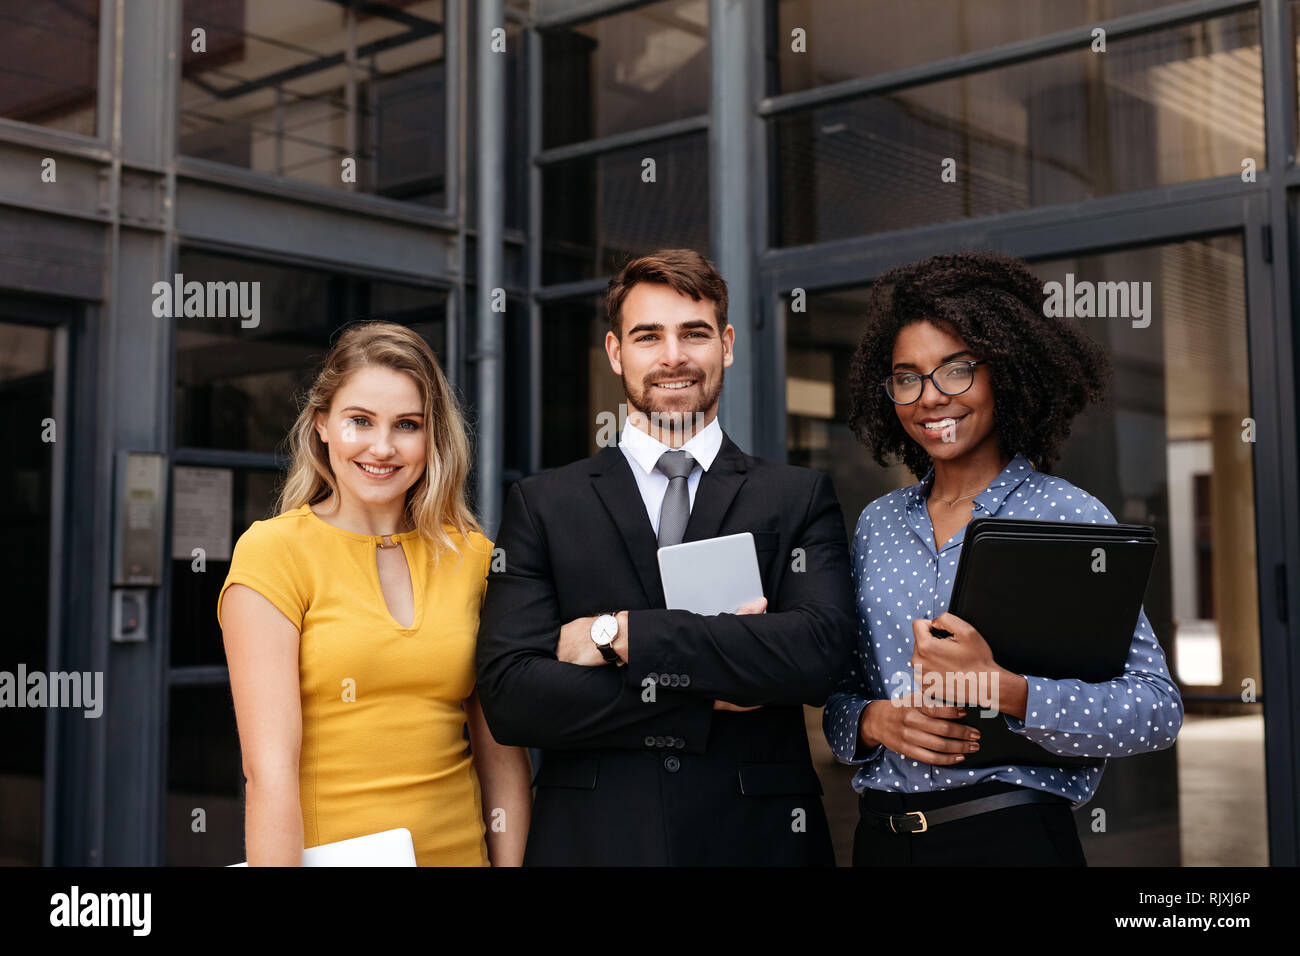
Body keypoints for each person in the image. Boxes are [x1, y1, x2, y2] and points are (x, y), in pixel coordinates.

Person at [476, 249, 857, 865]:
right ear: (615, 351)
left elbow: (818, 655)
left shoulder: (796, 496)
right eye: (648, 335)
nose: (673, 356)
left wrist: (617, 635)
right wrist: (712, 684)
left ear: (727, 345)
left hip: (758, 841)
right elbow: (513, 697)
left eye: (695, 333)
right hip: (595, 842)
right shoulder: (544, 503)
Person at [823, 251, 1183, 866]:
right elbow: (839, 695)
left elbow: (1155, 709)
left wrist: (1008, 692)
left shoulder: (1068, 516)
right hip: (882, 843)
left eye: (955, 370)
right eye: (907, 377)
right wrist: (871, 723)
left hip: (1011, 839)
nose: (930, 398)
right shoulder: (877, 525)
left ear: (1005, 371)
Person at [218, 321, 531, 866]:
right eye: (359, 421)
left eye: (406, 425)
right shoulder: (273, 553)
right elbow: (268, 774)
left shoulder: (475, 557)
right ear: (321, 425)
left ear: (432, 437)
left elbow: (503, 757)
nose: (382, 447)